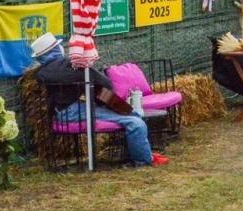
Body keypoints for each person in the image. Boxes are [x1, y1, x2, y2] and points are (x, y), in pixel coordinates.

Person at [29, 33, 166, 167]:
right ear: (56, 49)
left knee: (125, 110)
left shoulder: (41, 73)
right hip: (72, 111)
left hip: (61, 113)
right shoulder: (73, 65)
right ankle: (143, 160)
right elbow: (104, 86)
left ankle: (143, 152)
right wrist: (119, 106)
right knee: (135, 121)